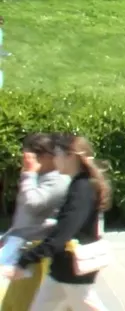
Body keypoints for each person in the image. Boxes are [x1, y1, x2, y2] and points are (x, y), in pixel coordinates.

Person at [6, 136, 111, 310]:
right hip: (62, 268)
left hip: (73, 270)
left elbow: (63, 233)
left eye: (57, 155)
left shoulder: (82, 189)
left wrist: (26, 259)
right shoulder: (78, 184)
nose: (54, 160)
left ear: (70, 156)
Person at [0, 133, 71, 311]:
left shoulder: (58, 180)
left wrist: (29, 174)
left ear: (46, 156)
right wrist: (9, 235)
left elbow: (32, 204)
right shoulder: (42, 175)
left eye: (31, 156)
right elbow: (26, 215)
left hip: (36, 250)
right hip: (22, 245)